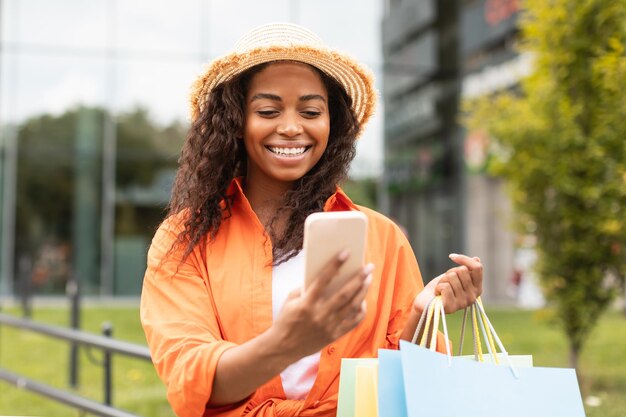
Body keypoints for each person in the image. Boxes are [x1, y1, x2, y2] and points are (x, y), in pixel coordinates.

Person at [140, 22, 483, 417]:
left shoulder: (383, 237)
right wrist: (288, 341)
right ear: (235, 121)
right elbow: (191, 377)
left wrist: (423, 313)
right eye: (268, 110)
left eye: (310, 111)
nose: (291, 127)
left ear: (331, 123)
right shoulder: (185, 239)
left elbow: (403, 386)